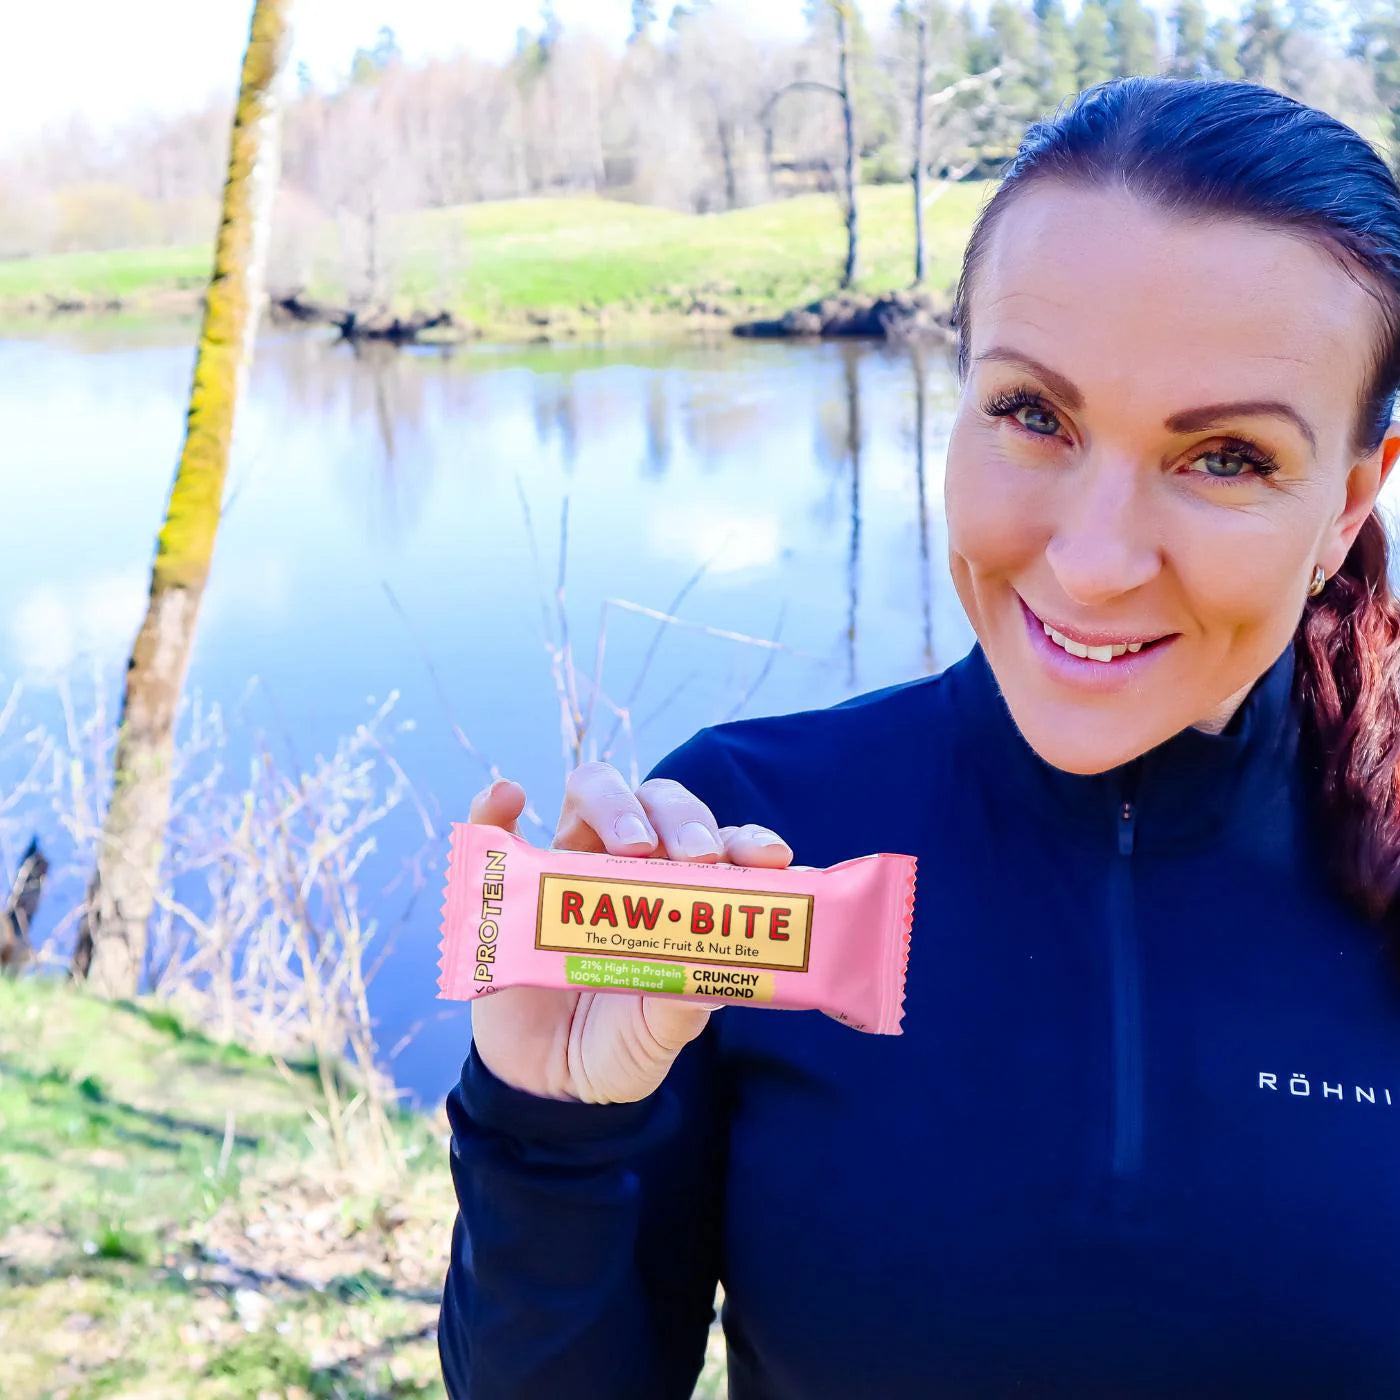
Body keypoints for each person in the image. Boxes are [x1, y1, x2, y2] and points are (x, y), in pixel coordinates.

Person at [437, 76, 1400, 1398]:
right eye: (1033, 414)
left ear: (1347, 503)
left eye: (1226, 457)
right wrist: (550, 1124)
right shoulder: (748, 840)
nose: (1095, 562)